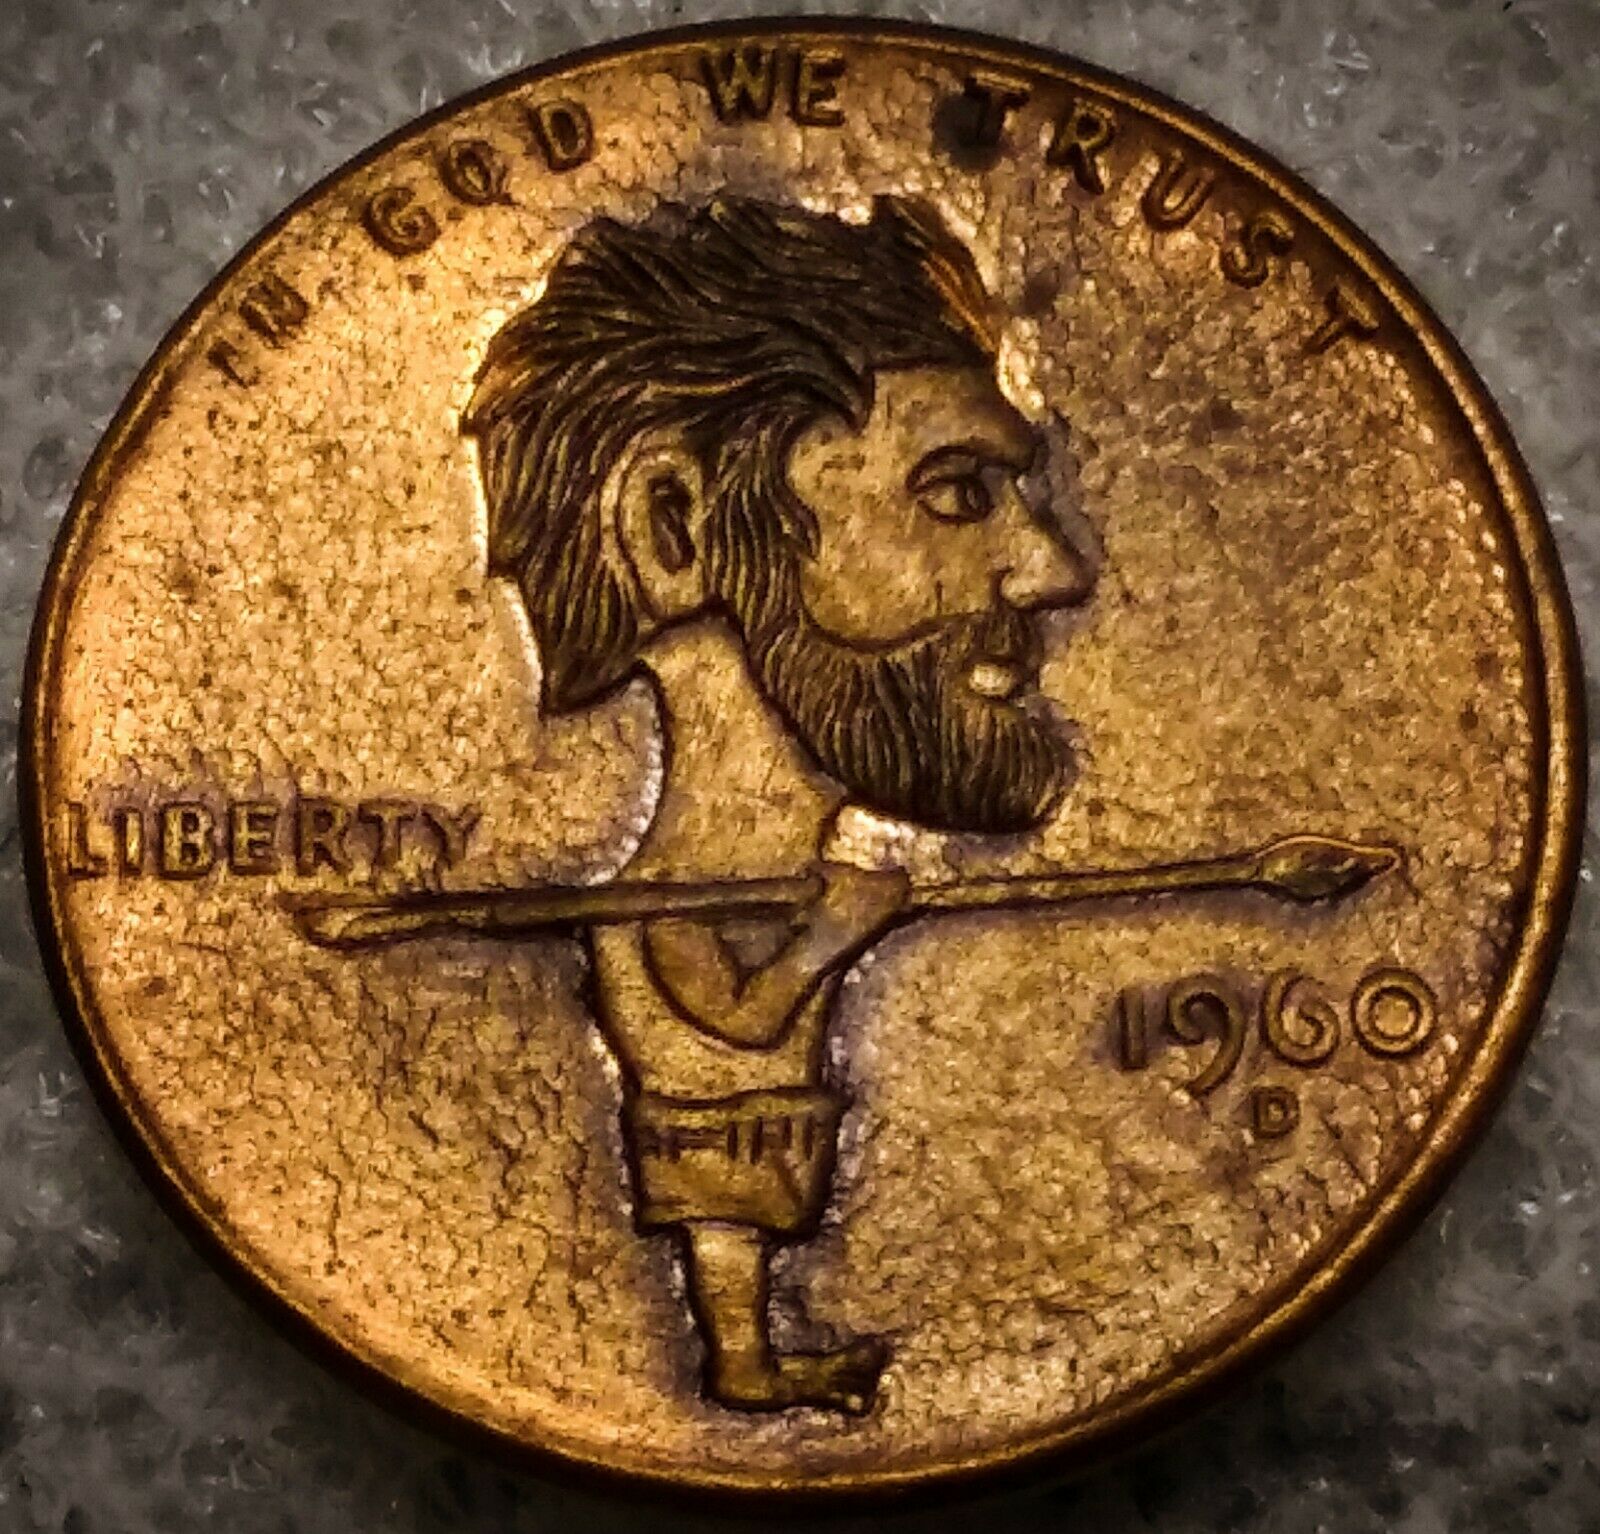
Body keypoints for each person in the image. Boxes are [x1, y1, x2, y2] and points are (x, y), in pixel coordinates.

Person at [463, 195, 1096, 1413]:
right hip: (724, 1145)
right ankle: (744, 1364)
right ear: (676, 531)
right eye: (955, 493)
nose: (1053, 570)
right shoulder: (667, 900)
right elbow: (739, 1016)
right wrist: (835, 930)